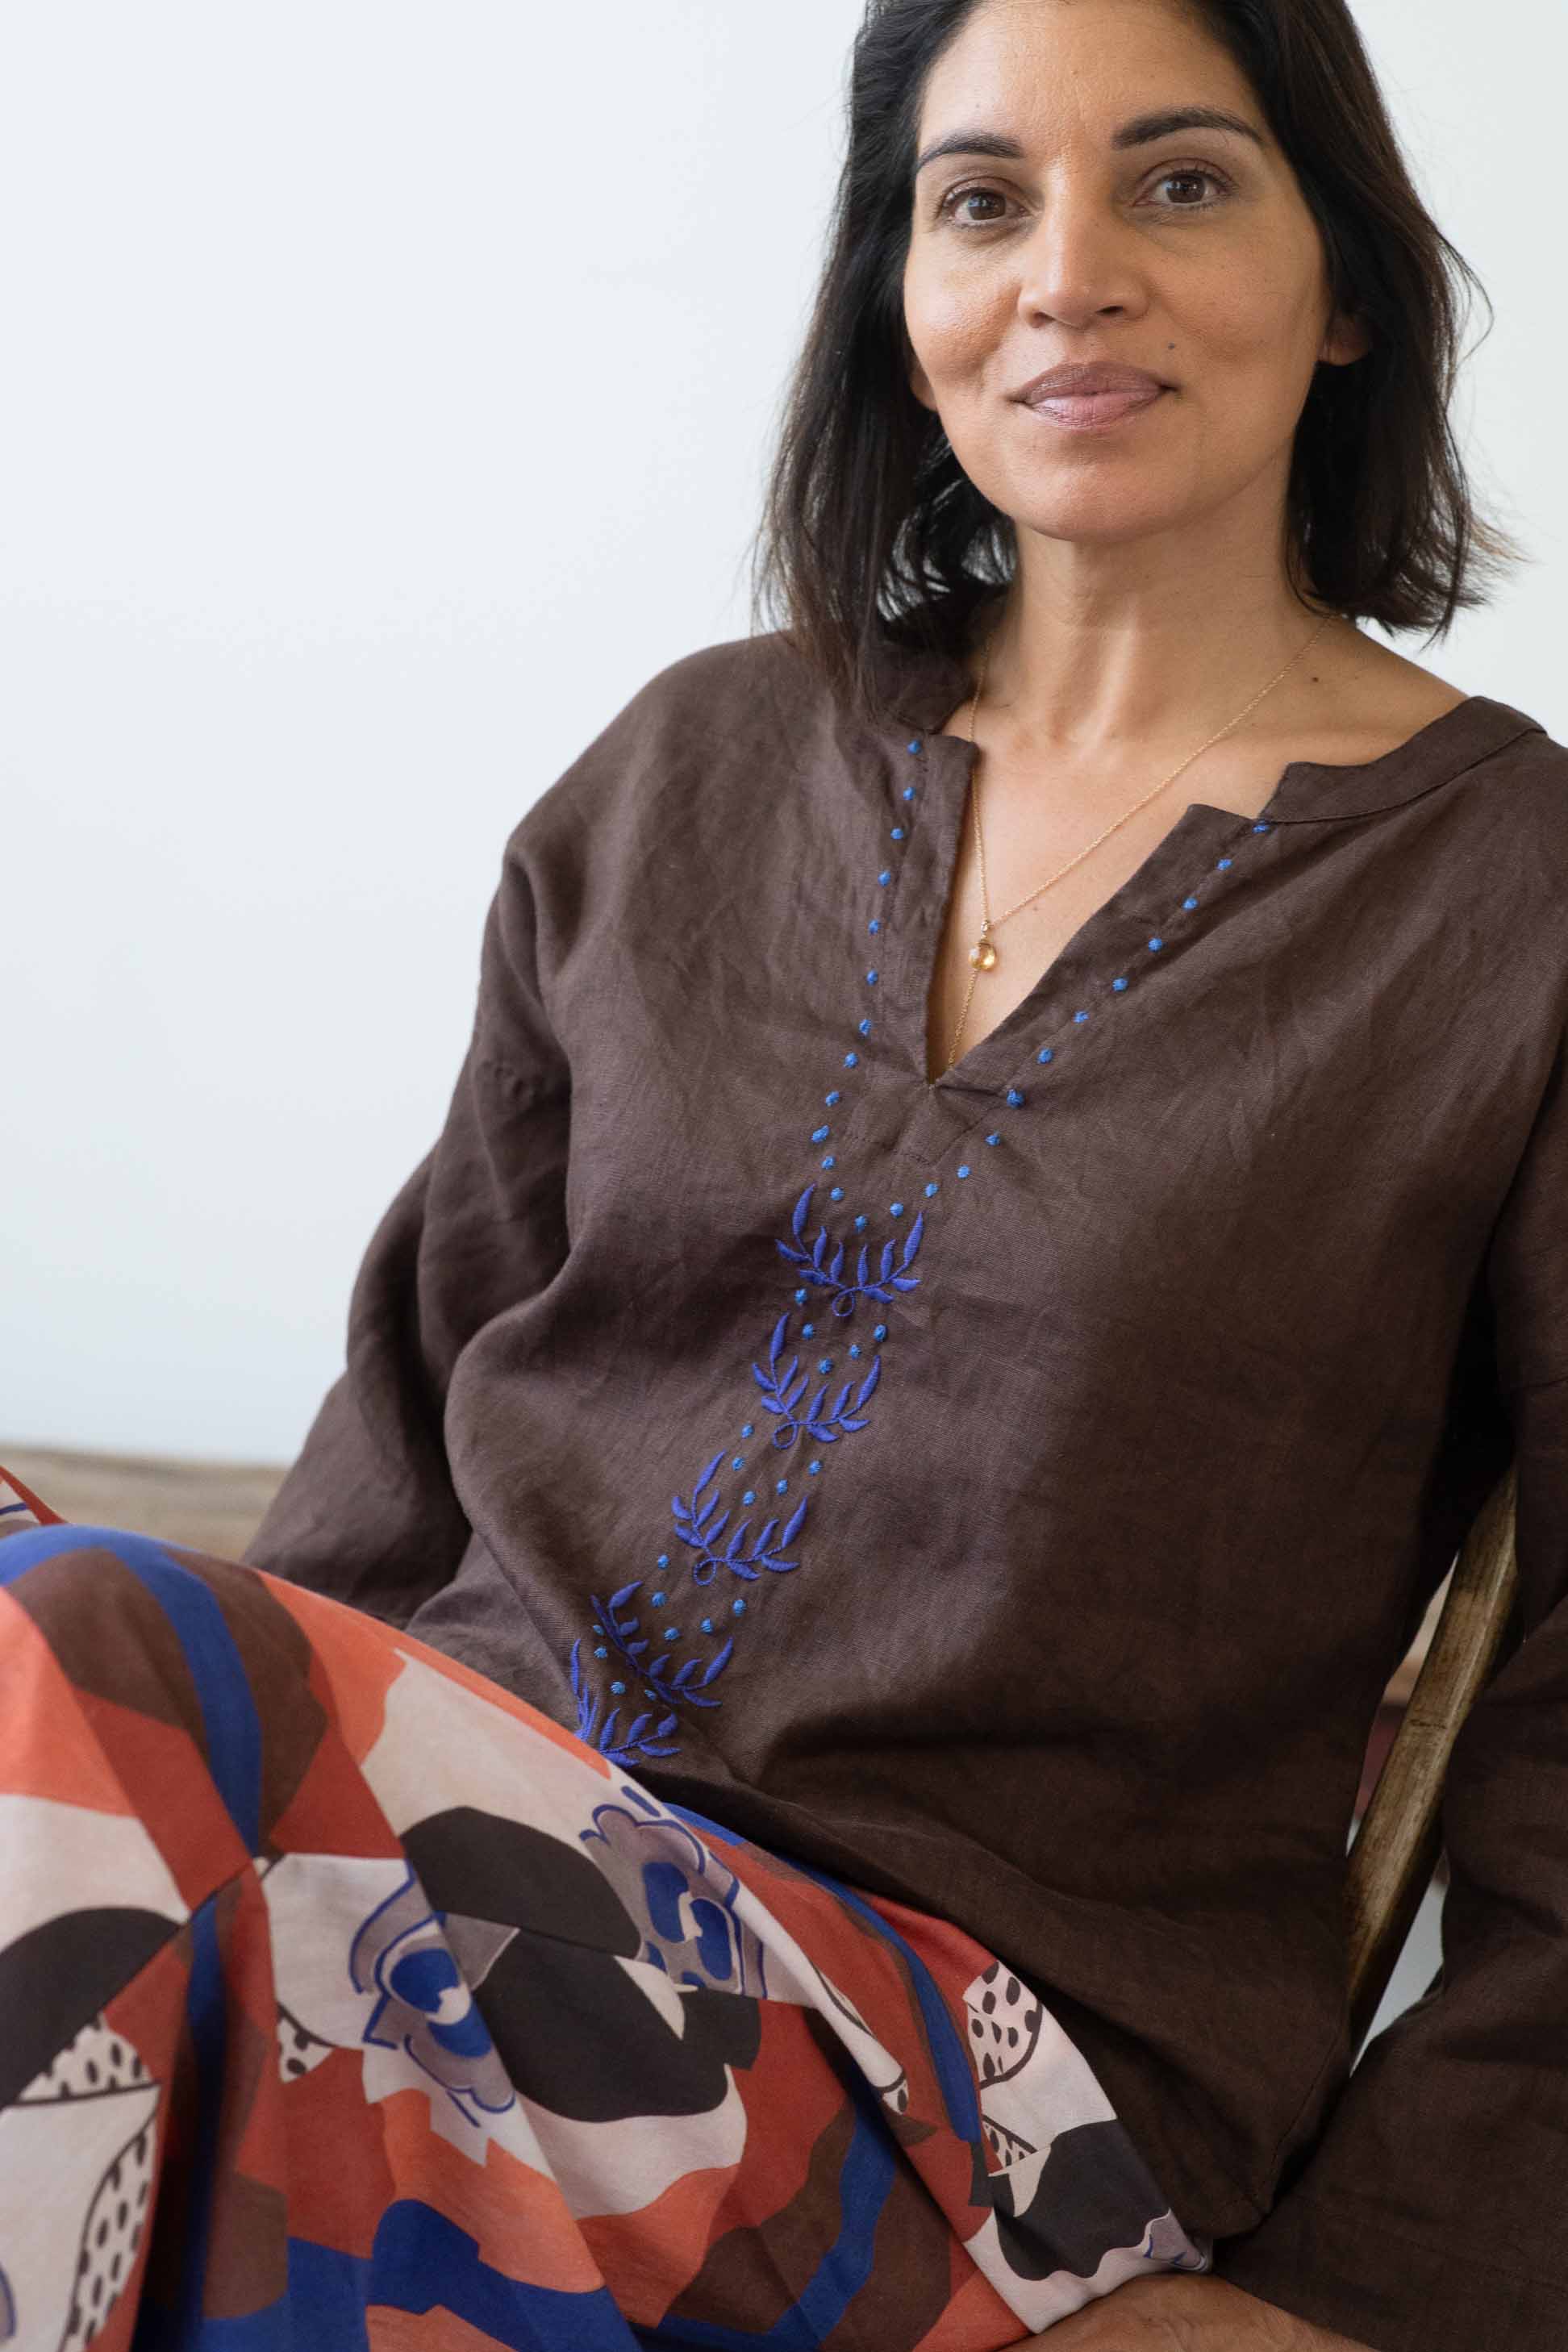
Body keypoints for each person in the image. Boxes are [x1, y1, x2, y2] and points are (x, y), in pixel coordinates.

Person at [2, 1, 1562, 2346]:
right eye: (980, 202)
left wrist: (1382, 2290)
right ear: (900, 305)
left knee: (78, 1644)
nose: (1068, 273)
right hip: (428, 1900)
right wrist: (226, 1812)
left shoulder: (1511, 897)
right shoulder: (686, 768)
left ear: (1345, 283)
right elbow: (400, 1447)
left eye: (1181, 181)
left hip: (971, 2067)